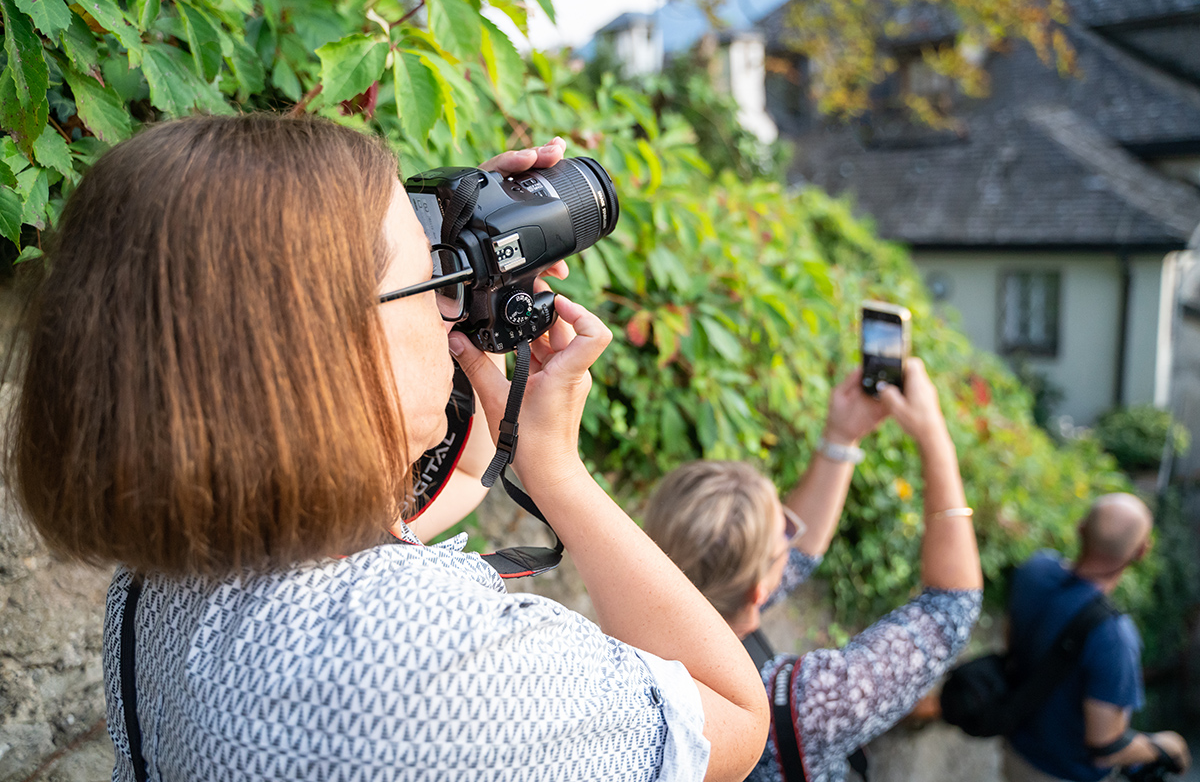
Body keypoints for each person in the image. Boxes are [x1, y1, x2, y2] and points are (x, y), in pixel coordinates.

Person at [7, 115, 769, 780]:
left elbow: (457, 475)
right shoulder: (430, 665)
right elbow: (732, 720)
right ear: (332, 343)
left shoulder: (169, 577)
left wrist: (458, 264)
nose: (449, 300)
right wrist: (560, 475)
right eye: (433, 275)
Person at [644, 360, 984, 782]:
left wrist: (842, 437)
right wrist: (934, 437)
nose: (793, 537)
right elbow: (951, 606)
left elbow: (787, 556)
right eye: (782, 534)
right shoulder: (807, 705)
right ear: (757, 593)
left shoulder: (635, 633)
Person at [1004, 494, 1191, 782]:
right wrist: (1166, 747)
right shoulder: (1114, 635)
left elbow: (1012, 642)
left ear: (1080, 528)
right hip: (1063, 774)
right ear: (1141, 552)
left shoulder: (1034, 570)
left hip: (1015, 753)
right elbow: (1106, 746)